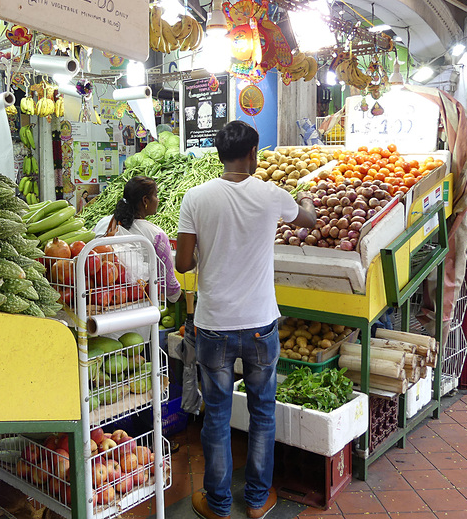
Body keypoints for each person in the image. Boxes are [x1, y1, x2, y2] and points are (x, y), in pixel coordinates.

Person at [175, 121, 316, 519]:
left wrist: (209, 255)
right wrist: (307, 201)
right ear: (253, 153)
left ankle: (217, 504)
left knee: (216, 416)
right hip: (259, 324)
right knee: (262, 413)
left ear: (220, 154)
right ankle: (256, 501)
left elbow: (183, 263)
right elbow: (307, 221)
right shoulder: (270, 194)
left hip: (214, 325)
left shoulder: (196, 198)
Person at [93, 176, 182, 304]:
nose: (158, 200)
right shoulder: (156, 235)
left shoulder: (102, 223)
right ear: (145, 200)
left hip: (100, 302)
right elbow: (168, 284)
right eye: (156, 195)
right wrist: (181, 299)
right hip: (137, 308)